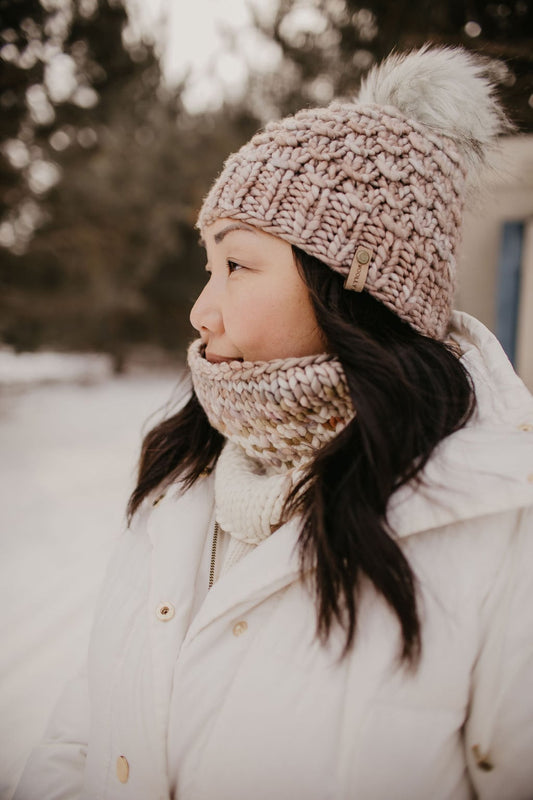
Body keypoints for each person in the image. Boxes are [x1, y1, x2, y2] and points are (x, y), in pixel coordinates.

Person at [15, 45, 533, 800]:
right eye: (207, 265)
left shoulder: (496, 521)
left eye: (238, 266)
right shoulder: (183, 475)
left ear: (354, 288)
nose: (200, 311)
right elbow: (86, 730)